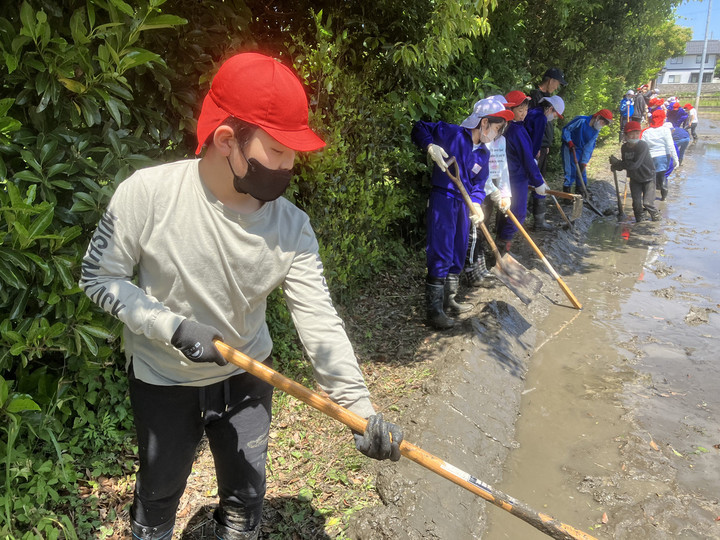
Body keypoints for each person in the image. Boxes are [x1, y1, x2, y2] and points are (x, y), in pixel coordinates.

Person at [79, 52, 403, 540]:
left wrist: (359, 410)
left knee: (246, 501)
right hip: (163, 380)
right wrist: (170, 327)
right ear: (227, 140)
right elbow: (98, 278)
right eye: (277, 150)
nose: (290, 166)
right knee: (158, 496)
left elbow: (318, 317)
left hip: (248, 377)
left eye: (295, 154)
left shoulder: (292, 228)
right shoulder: (146, 195)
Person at [412, 96, 513, 329]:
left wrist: (477, 203)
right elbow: (420, 127)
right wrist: (429, 145)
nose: (496, 135)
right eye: (496, 128)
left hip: (463, 205)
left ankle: (449, 300)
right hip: (444, 198)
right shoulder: (452, 134)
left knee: (458, 248)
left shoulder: (483, 154)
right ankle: (434, 311)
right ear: (484, 123)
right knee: (441, 248)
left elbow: (479, 183)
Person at [495, 90, 550, 254]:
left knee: (505, 210)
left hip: (506, 176)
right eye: (520, 110)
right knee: (518, 214)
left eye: (526, 110)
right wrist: (538, 181)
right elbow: (527, 158)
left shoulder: (506, 127)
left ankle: (499, 240)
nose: (524, 114)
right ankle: (503, 245)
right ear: (510, 110)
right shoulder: (516, 130)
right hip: (516, 178)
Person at [609, 121, 660, 223]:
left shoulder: (642, 146)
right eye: (631, 134)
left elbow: (634, 164)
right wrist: (615, 166)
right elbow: (625, 163)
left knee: (647, 203)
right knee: (636, 203)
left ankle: (656, 218)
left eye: (637, 133)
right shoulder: (624, 147)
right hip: (635, 178)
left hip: (648, 177)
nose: (634, 136)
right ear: (626, 135)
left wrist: (618, 163)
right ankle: (639, 221)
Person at [561, 109, 613, 193]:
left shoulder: (596, 130)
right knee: (571, 170)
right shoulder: (581, 120)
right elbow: (566, 130)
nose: (602, 125)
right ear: (598, 117)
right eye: (603, 122)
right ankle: (567, 192)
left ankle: (580, 191)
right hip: (569, 147)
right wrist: (569, 141)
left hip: (581, 150)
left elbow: (589, 147)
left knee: (581, 170)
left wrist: (584, 162)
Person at [528, 68, 567, 175]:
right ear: (551, 80)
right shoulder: (535, 96)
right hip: (536, 145)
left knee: (541, 175)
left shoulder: (548, 97)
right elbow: (532, 124)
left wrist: (547, 144)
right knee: (534, 177)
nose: (556, 87)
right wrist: (537, 145)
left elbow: (548, 122)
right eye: (557, 83)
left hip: (543, 145)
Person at [641, 108, 678, 201]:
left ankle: (648, 199)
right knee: (662, 178)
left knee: (650, 179)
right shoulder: (665, 130)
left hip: (650, 157)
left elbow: (642, 147)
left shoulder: (646, 132)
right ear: (663, 119)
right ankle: (663, 198)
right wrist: (676, 160)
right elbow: (671, 145)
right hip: (663, 157)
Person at [524, 95, 565, 164]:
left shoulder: (535, 110)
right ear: (551, 108)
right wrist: (533, 156)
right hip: (527, 149)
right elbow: (536, 138)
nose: (554, 118)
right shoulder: (541, 118)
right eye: (555, 115)